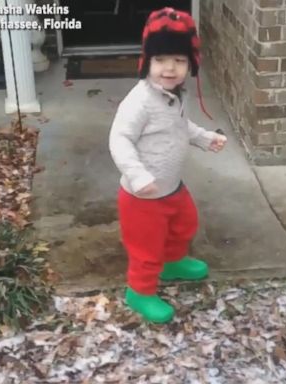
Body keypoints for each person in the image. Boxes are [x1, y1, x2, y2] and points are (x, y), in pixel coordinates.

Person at [109, 7, 227, 323]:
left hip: (172, 187)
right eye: (160, 60)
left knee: (184, 224)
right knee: (146, 249)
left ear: (191, 64)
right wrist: (136, 175)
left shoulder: (175, 95)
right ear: (147, 62)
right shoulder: (140, 101)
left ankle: (172, 261)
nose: (169, 68)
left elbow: (180, 125)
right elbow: (119, 139)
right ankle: (139, 292)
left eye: (179, 60)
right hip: (142, 197)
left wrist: (203, 138)